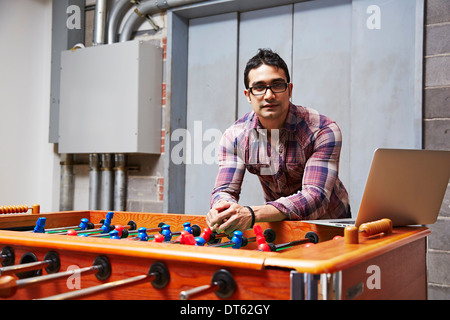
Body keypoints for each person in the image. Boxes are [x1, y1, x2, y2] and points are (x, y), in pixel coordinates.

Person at [206, 48, 350, 235]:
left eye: (277, 85)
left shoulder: (322, 130)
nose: (269, 96)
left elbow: (316, 197)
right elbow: (225, 190)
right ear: (248, 95)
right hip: (281, 225)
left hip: (329, 225)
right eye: (259, 87)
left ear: (289, 90)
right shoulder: (235, 137)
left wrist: (251, 213)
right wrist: (222, 207)